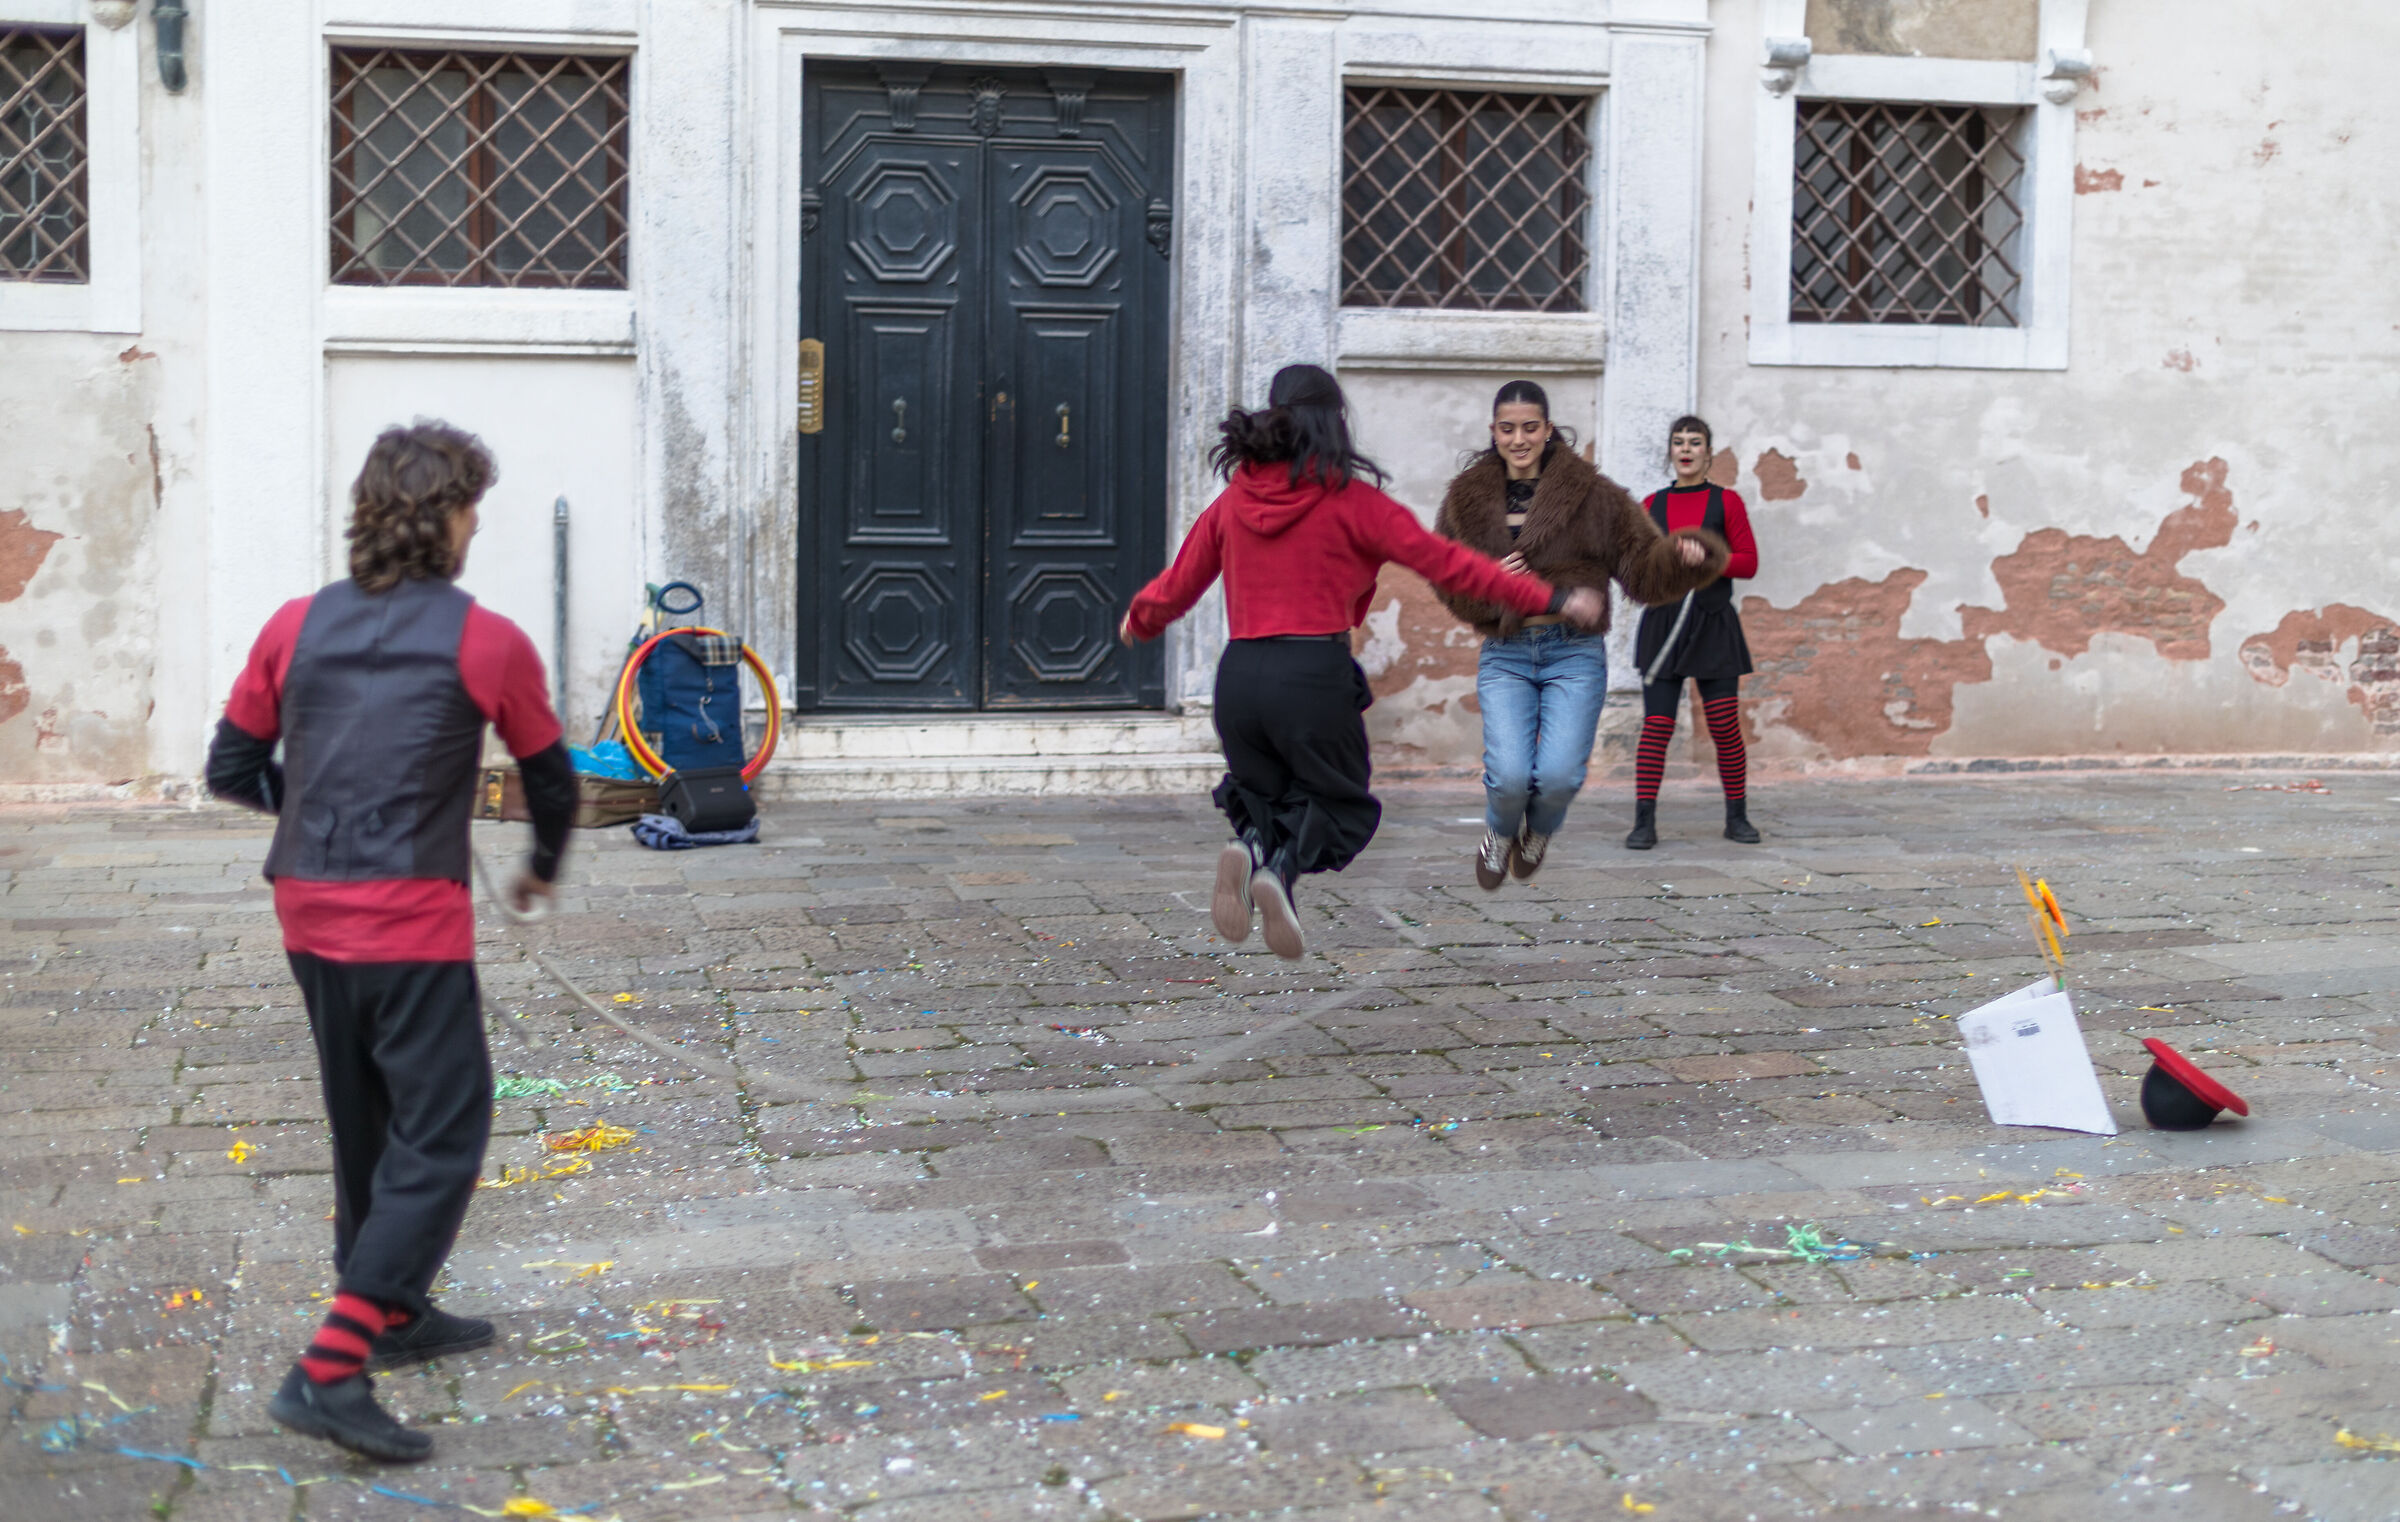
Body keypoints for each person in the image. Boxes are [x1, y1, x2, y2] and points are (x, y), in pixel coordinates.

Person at [204, 421, 576, 1462]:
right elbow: (551, 776)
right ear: (450, 518)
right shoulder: (488, 638)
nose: (473, 527)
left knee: (363, 1116)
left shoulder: (293, 623)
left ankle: (398, 1310)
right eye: (473, 510)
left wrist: (309, 797)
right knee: (446, 1128)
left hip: (308, 912)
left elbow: (231, 768)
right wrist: (540, 867)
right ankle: (331, 1365)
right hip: (408, 922)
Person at [1120, 364, 1605, 960]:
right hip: (1312, 676)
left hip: (1239, 679)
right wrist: (1551, 597)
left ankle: (1251, 849)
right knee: (1338, 801)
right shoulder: (1356, 503)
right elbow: (1452, 566)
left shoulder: (1233, 501)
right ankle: (1280, 871)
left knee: (1268, 795)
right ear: (1334, 422)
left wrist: (1138, 621)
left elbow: (1178, 584)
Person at [1433, 381, 1727, 888]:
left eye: (1530, 427)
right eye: (1508, 428)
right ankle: (1500, 833)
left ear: (1548, 430)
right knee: (1508, 778)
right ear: (1493, 431)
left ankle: (1539, 830)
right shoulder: (1465, 500)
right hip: (1505, 653)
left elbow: (1641, 571)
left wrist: (1681, 557)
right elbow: (1448, 579)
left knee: (1560, 777)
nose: (1519, 438)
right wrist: (1493, 586)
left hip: (1574, 653)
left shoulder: (1595, 495)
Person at [1628, 414, 1762, 848]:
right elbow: (1638, 568)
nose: (1685, 449)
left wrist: (1707, 557)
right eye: (1678, 442)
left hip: (1712, 620)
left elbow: (1749, 562)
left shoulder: (1727, 503)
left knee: (1724, 725)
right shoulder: (1651, 504)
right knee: (1657, 725)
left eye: (1695, 442)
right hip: (1664, 624)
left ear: (1708, 452)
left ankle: (1737, 817)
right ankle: (1644, 822)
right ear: (1670, 452)